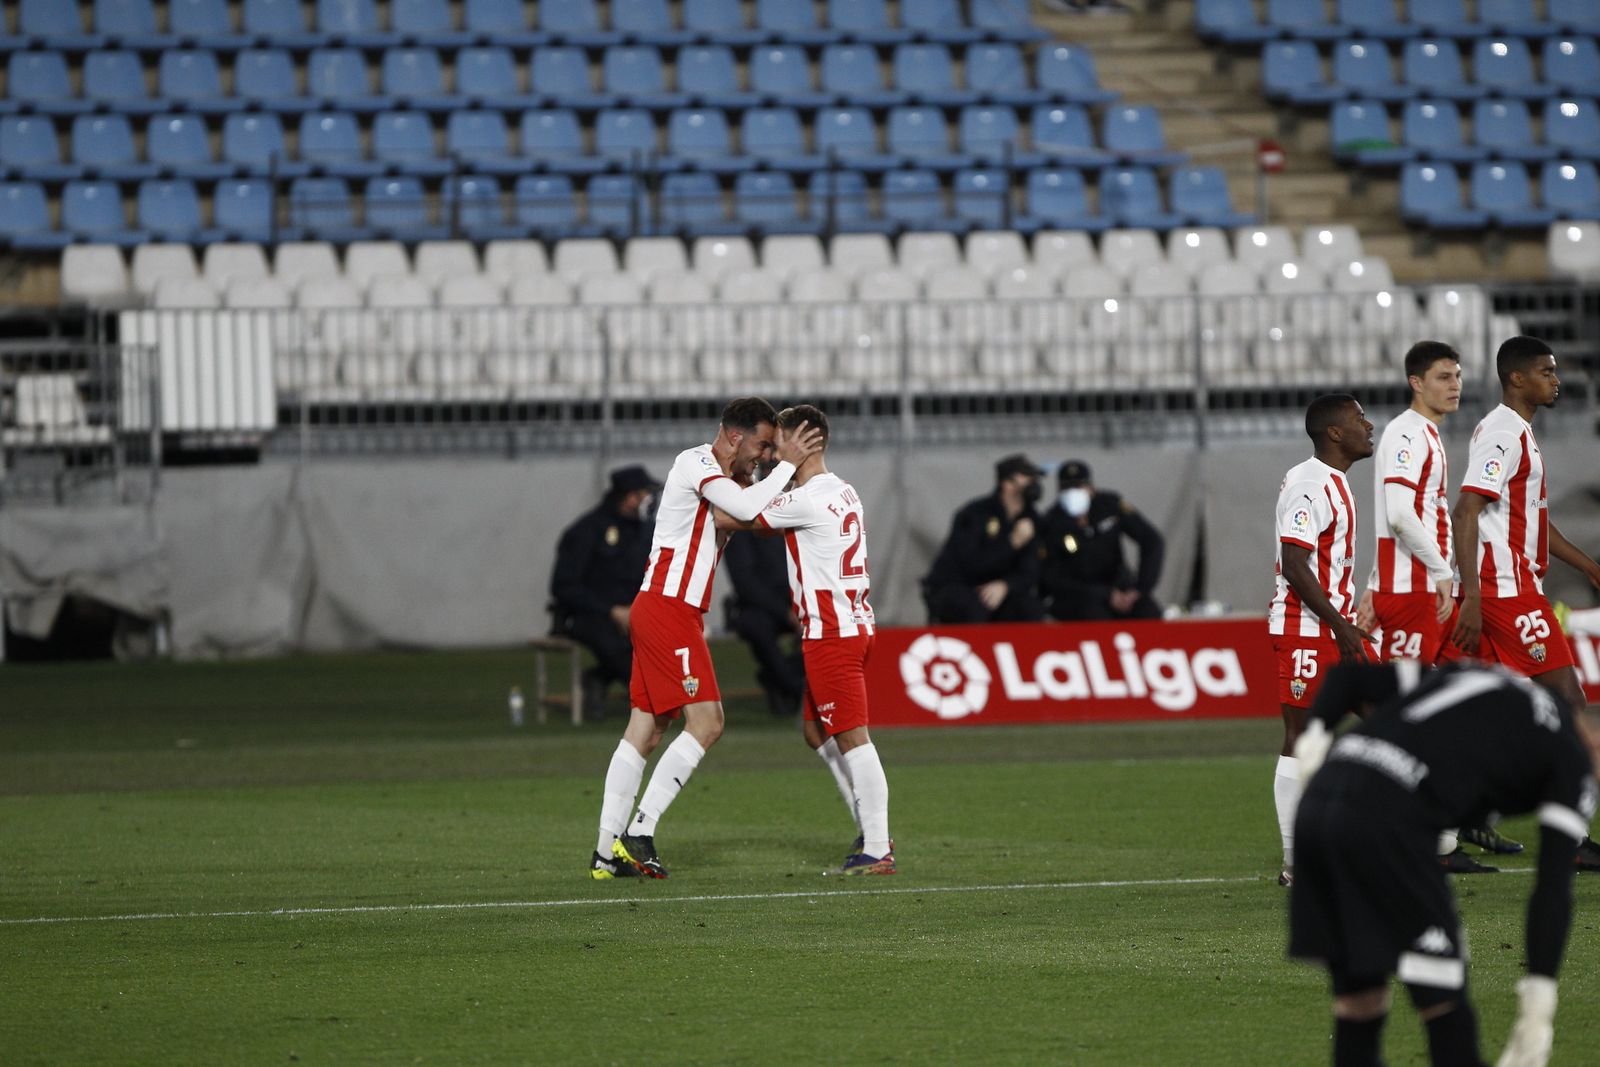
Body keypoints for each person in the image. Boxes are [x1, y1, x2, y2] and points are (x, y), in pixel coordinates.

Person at [1288, 659, 1598, 1067]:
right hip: (1389, 819)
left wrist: (1314, 739)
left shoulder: (1481, 675)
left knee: (1360, 1001)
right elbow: (1553, 886)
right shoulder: (1573, 762)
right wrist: (1539, 1004)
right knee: (1444, 1008)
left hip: (1319, 803)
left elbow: (1346, 677)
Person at [589, 398, 824, 880]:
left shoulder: (738, 482)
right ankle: (638, 831)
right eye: (762, 444)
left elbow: (754, 513)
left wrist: (797, 483)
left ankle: (605, 853)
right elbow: (742, 508)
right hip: (666, 608)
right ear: (734, 436)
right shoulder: (694, 462)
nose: (764, 456)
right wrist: (789, 468)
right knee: (708, 722)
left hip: (671, 612)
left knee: (646, 729)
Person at [1351, 341, 1508, 873]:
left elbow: (1396, 520)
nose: (1455, 385)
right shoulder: (1404, 434)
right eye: (1443, 376)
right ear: (1416, 382)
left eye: (1458, 376)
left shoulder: (1428, 436)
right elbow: (1397, 514)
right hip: (1418, 595)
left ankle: (1443, 832)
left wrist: (1372, 582)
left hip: (1421, 591)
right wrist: (1441, 572)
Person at [718, 404, 893, 875]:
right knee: (817, 732)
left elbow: (732, 517)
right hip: (850, 627)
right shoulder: (842, 491)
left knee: (854, 738)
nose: (772, 454)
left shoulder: (807, 499)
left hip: (832, 634)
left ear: (803, 444)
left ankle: (877, 846)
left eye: (779, 445)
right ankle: (870, 828)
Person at [1451, 335, 1600, 872]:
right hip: (1503, 589)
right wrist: (1471, 595)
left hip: (1511, 586)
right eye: (1546, 371)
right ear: (1517, 378)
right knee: (1567, 701)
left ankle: (1464, 811)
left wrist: (1585, 565)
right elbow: (1466, 510)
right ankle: (1571, 839)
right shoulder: (1502, 433)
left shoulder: (1520, 434)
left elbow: (1531, 518)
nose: (1556, 379)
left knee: (1486, 715)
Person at [1268, 393, 1376, 887]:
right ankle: (1297, 859)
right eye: (1359, 419)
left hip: (1336, 625)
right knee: (1303, 738)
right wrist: (1339, 625)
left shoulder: (1333, 482)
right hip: (1307, 631)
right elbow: (1294, 564)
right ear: (1334, 433)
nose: (1369, 425)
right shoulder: (1311, 484)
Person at [548, 464, 657, 721]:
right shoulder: (586, 531)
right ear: (630, 497)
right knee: (619, 649)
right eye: (643, 494)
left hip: (635, 611)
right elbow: (564, 586)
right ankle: (651, 704)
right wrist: (611, 610)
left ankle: (598, 679)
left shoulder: (645, 531)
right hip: (591, 615)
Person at [922, 453, 1047, 624]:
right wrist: (1011, 543)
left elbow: (1030, 571)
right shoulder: (975, 514)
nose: (1034, 484)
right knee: (974, 606)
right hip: (959, 585)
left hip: (1000, 589)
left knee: (1028, 608)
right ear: (1007, 483)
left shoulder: (1032, 520)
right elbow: (970, 564)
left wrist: (1006, 585)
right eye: (1027, 478)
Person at [1037, 459, 1165, 622]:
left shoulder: (1109, 506)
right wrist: (1102, 594)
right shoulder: (1052, 523)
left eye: (1078, 486)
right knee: (1094, 616)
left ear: (1091, 488)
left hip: (1120, 585)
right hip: (1080, 595)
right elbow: (1052, 578)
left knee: (1147, 611)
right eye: (1066, 488)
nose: (1072, 493)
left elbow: (1151, 541)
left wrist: (1140, 589)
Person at [723, 529, 807, 718]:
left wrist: (802, 607)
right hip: (758, 607)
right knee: (756, 627)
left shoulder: (790, 523)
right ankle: (795, 686)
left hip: (795, 603)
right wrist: (785, 613)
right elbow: (745, 582)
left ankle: (777, 677)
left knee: (826, 626)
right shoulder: (741, 530)